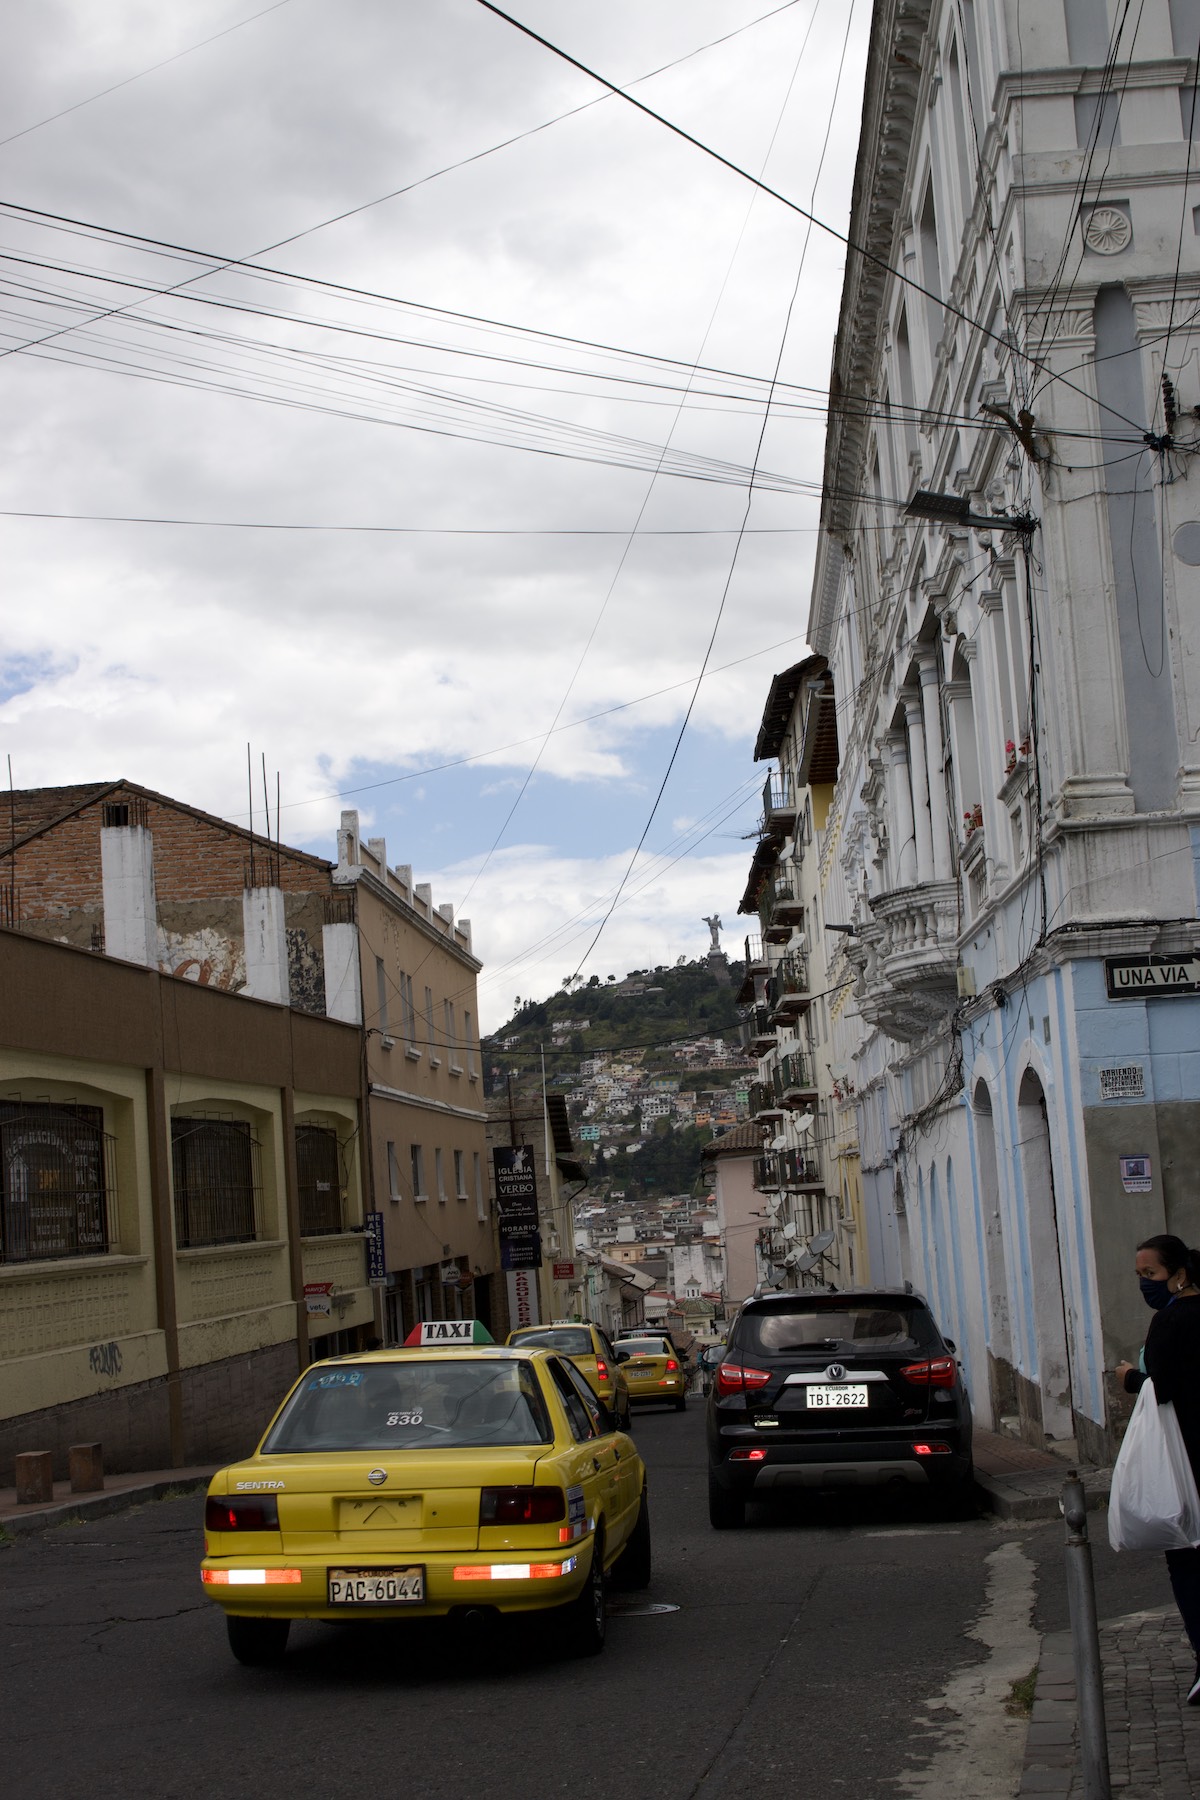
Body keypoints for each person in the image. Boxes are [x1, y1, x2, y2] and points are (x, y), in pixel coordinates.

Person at [1115, 1234, 1200, 1706]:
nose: (1145, 1284)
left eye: (1150, 1275)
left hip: (1185, 1457)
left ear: (1179, 1273)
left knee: (1187, 1558)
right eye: (1140, 1277)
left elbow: (1163, 1388)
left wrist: (1131, 1379)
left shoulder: (1170, 1322)